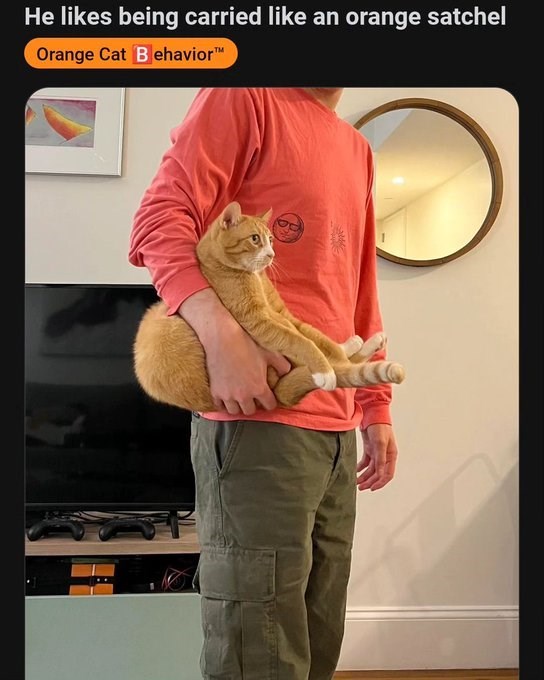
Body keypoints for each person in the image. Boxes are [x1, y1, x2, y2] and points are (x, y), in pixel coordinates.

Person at [128, 87, 400, 680]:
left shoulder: (356, 148)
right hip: (258, 422)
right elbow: (159, 219)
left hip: (335, 426)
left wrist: (375, 405)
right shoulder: (245, 96)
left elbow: (358, 286)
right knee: (259, 650)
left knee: (318, 635)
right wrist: (222, 339)